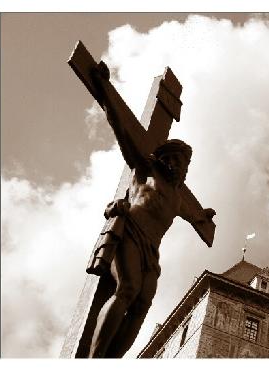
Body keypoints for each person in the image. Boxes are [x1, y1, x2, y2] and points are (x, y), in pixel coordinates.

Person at [87, 62, 215, 358]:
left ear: (185, 168)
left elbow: (197, 218)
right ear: (161, 159)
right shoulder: (145, 169)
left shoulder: (179, 198)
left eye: (179, 161)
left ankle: (113, 360)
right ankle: (94, 360)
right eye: (169, 158)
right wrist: (105, 89)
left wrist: (203, 217)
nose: (174, 164)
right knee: (127, 288)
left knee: (142, 304)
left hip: (152, 251)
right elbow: (120, 126)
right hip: (130, 232)